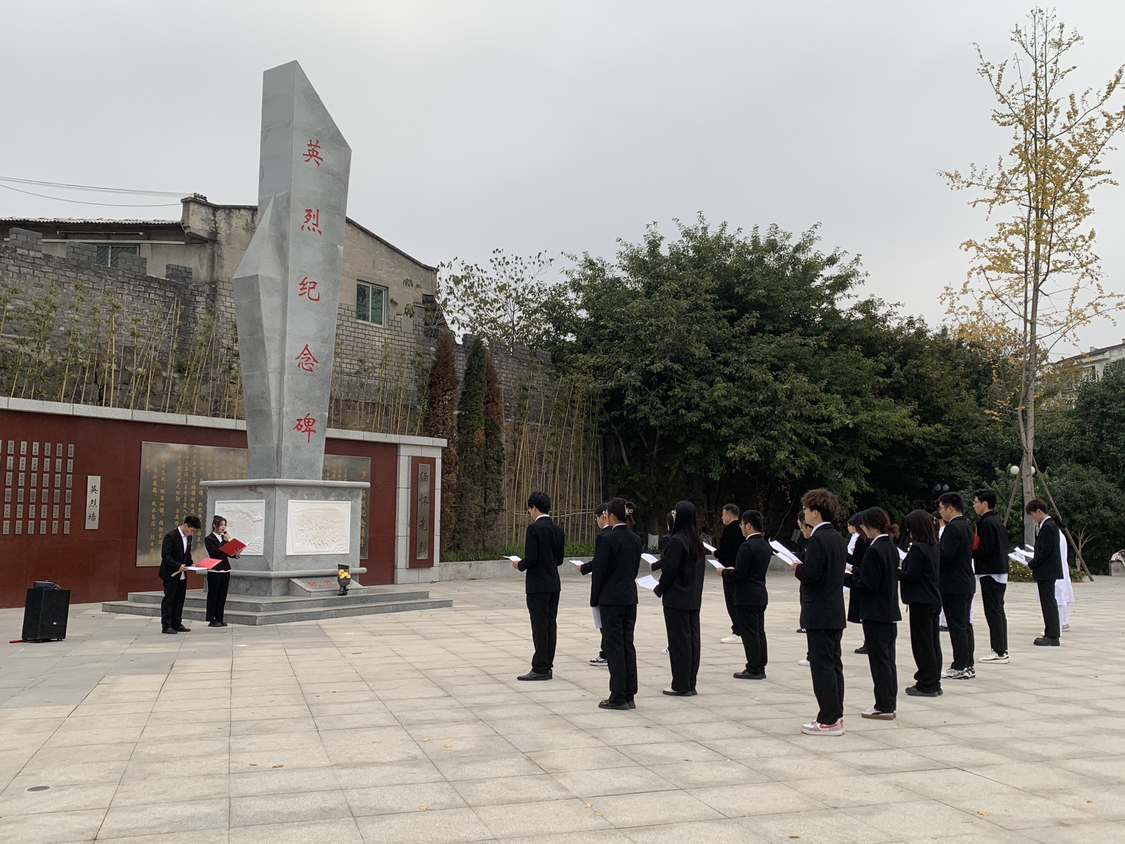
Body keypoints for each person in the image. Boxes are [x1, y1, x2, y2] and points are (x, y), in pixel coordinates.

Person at [788, 488, 847, 736]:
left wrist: (798, 569)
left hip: (819, 611)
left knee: (822, 666)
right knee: (833, 664)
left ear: (815, 512)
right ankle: (836, 715)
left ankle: (828, 719)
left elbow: (812, 574)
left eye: (805, 509)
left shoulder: (818, 539)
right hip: (834, 610)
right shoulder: (838, 538)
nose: (804, 513)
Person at [846, 507, 901, 719]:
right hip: (888, 610)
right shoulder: (890, 547)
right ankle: (889, 702)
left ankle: (883, 705)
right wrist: (858, 572)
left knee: (879, 661)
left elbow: (868, 584)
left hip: (875, 612)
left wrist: (848, 578)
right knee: (888, 660)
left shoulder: (874, 550)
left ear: (870, 526)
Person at [589, 498, 642, 709]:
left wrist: (594, 599)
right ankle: (630, 693)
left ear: (611, 516)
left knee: (614, 647)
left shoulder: (607, 539)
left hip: (611, 599)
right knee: (627, 644)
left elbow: (599, 572)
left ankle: (618, 695)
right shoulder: (635, 539)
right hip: (629, 597)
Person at [653, 501, 706, 695]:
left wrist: (659, 588)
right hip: (692, 597)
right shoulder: (696, 541)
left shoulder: (677, 541)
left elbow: (670, 570)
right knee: (692, 641)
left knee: (679, 643)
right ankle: (690, 682)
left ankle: (681, 684)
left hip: (677, 598)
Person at [514, 491, 566, 680]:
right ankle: (547, 664)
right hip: (553, 583)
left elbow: (531, 558)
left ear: (534, 508)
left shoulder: (534, 529)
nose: (530, 512)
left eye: (529, 508)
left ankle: (540, 667)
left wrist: (519, 564)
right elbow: (559, 559)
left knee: (539, 625)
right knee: (550, 624)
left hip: (538, 584)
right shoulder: (558, 529)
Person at [722, 509, 771, 680]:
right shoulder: (764, 545)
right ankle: (761, 663)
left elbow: (740, 573)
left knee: (750, 633)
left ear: (749, 526)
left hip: (746, 595)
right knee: (759, 631)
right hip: (760, 592)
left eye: (743, 524)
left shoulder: (747, 546)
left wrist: (725, 572)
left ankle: (754, 667)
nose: (742, 528)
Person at [899, 509, 943, 697]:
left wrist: (895, 572)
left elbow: (911, 575)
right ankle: (934, 681)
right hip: (932, 598)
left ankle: (926, 682)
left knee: (922, 644)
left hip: (921, 600)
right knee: (932, 642)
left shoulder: (918, 548)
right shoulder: (933, 546)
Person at [937, 492, 976, 679]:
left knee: (957, 626)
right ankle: (968, 664)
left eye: (941, 508)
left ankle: (960, 665)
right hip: (966, 580)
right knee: (965, 625)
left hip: (954, 583)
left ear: (950, 508)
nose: (940, 512)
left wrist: (933, 551)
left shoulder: (952, 528)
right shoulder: (967, 525)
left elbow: (946, 556)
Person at [972, 489, 1010, 664]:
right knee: (998, 610)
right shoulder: (996, 521)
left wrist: (970, 551)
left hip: (990, 571)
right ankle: (1001, 648)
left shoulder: (987, 523)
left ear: (985, 504)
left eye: (976, 502)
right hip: (998, 570)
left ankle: (999, 651)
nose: (974, 506)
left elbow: (985, 548)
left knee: (993, 611)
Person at [1025, 499, 1063, 646]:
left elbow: (1044, 551)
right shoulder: (1049, 526)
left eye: (1033, 514)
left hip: (1047, 571)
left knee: (1048, 603)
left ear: (1039, 511)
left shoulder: (1048, 527)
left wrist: (1032, 564)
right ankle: (1050, 632)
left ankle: (1052, 636)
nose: (1033, 518)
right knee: (1048, 602)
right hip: (1048, 571)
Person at [159, 515, 202, 634]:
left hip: (182, 573)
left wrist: (190, 563)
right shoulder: (171, 536)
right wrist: (177, 565)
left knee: (180, 599)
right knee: (169, 599)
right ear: (185, 526)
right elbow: (165, 555)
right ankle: (166, 625)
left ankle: (176, 623)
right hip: (171, 573)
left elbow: (186, 553)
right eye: (192, 530)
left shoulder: (188, 538)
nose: (192, 533)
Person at [581, 503, 611, 666]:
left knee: (605, 624)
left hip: (606, 589)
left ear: (603, 517)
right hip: (624, 590)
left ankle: (606, 653)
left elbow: (599, 565)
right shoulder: (630, 536)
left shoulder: (604, 537)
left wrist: (585, 568)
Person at [202, 515, 238, 627]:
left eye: (224, 525)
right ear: (214, 525)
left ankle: (219, 618)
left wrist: (236, 554)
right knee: (213, 595)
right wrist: (224, 542)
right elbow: (215, 552)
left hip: (225, 569)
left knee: (222, 595)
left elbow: (227, 553)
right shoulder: (209, 539)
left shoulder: (223, 538)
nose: (223, 527)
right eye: (221, 525)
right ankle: (211, 619)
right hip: (214, 569)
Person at [716, 503, 743, 644]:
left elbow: (724, 552)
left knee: (731, 601)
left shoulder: (729, 531)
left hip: (729, 570)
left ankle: (737, 630)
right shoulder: (743, 529)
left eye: (723, 515)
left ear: (729, 516)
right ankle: (742, 629)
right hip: (740, 569)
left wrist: (716, 554)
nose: (722, 518)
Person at [846, 514, 870, 655]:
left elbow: (857, 560)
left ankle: (868, 642)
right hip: (862, 576)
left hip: (861, 578)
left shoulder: (862, 540)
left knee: (865, 614)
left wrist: (852, 567)